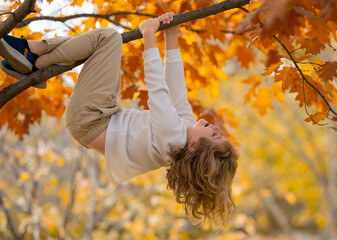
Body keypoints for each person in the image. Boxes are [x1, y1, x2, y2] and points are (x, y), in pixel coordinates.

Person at [0, 12, 239, 228]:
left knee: (108, 38)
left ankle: (33, 57)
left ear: (195, 147)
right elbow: (177, 88)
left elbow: (158, 90)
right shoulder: (183, 132)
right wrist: (172, 35)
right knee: (98, 45)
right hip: (103, 114)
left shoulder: (172, 137)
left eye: (215, 135)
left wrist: (149, 37)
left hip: (89, 118)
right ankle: (32, 57)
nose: (216, 127)